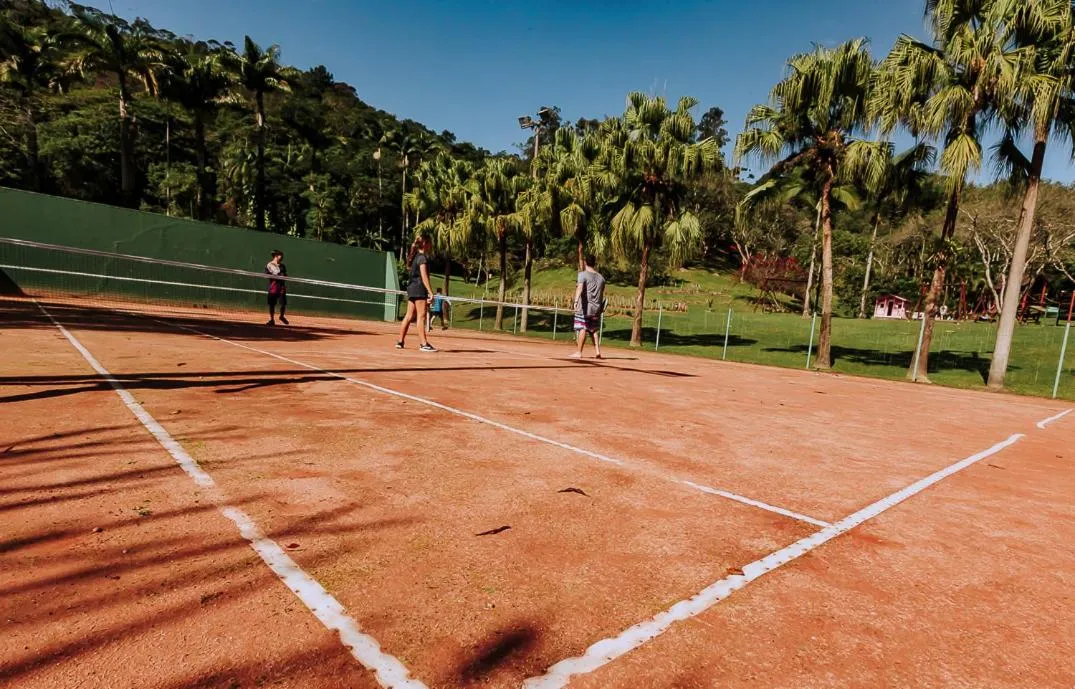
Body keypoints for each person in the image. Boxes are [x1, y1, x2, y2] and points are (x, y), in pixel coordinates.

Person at [397, 235, 437, 352]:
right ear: (425, 244)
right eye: (430, 243)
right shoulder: (422, 258)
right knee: (421, 316)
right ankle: (424, 344)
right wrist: (430, 292)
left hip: (412, 288)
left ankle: (400, 341)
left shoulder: (416, 257)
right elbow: (424, 277)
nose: (431, 245)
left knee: (409, 316)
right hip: (419, 289)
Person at [571, 254, 606, 359]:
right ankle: (597, 352)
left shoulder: (582, 275)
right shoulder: (601, 278)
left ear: (585, 262)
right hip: (596, 308)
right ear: (594, 263)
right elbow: (601, 294)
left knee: (583, 327)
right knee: (593, 329)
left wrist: (576, 301)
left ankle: (579, 352)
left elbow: (580, 288)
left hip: (585, 307)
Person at [265, 249, 289, 326]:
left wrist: (284, 276)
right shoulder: (269, 265)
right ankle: (272, 319)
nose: (282, 257)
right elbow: (268, 274)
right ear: (276, 256)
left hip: (281, 286)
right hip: (273, 286)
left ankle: (281, 316)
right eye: (280, 255)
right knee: (272, 304)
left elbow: (285, 275)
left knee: (283, 303)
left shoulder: (283, 266)